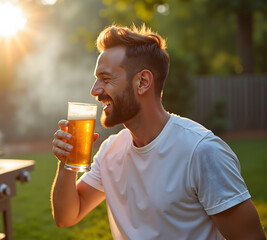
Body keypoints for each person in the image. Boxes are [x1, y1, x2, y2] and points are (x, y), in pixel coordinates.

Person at [51, 24, 266, 240]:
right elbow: (66, 216)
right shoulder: (110, 151)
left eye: (106, 79)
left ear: (143, 82)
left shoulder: (201, 152)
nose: (95, 90)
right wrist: (66, 164)